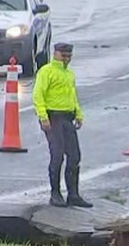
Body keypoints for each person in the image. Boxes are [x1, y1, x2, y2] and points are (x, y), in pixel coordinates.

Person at [32, 42, 92, 208]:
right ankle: (55, 193)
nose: (66, 59)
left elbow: (73, 96)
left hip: (67, 117)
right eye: (63, 55)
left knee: (74, 156)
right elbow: (38, 95)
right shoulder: (47, 71)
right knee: (57, 155)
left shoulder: (69, 74)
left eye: (69, 56)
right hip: (53, 117)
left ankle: (73, 194)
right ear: (55, 54)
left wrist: (78, 114)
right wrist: (43, 117)